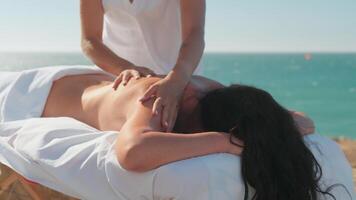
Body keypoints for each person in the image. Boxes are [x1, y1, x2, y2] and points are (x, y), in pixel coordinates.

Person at [41, 71, 339, 200]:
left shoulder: (213, 92)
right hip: (39, 96)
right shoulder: (159, 100)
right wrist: (223, 141)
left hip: (92, 81)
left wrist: (270, 133)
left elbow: (304, 121)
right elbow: (131, 153)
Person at [80, 0, 206, 132]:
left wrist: (177, 80)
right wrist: (124, 67)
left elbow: (194, 33)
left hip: (180, 80)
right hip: (123, 81)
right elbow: (89, 40)